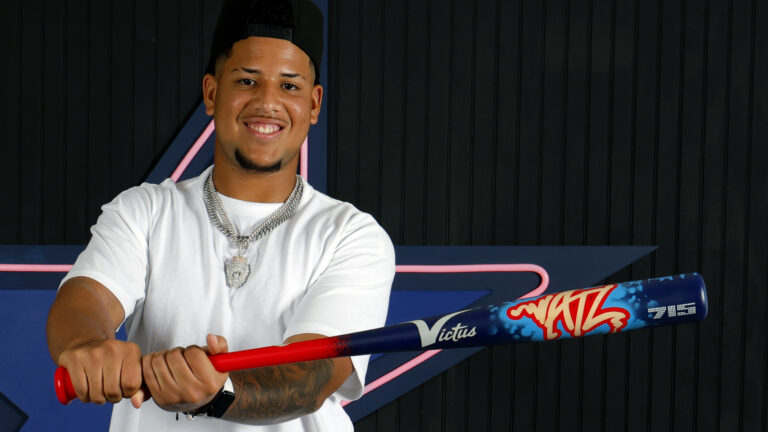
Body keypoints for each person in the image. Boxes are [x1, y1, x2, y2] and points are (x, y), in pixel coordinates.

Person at [45, 0, 395, 430]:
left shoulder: (352, 236)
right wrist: (86, 346)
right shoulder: (145, 210)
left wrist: (218, 393)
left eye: (289, 86)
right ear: (212, 93)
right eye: (247, 80)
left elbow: (312, 377)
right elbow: (84, 300)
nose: (267, 102)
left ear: (314, 103)